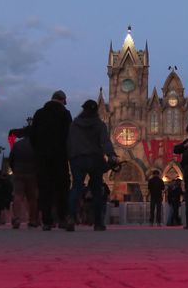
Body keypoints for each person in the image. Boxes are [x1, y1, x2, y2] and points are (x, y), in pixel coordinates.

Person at [67, 99, 117, 231]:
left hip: (77, 159)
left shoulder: (74, 124)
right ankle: (98, 222)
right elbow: (105, 142)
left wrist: (71, 156)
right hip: (94, 159)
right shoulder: (100, 125)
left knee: (76, 188)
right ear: (96, 111)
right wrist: (111, 155)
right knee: (96, 191)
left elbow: (69, 141)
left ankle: (71, 217)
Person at [30, 90, 72, 231]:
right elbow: (69, 135)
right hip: (60, 156)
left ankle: (46, 221)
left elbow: (33, 135)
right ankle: (62, 219)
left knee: (44, 188)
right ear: (62, 100)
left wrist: (38, 152)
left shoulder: (39, 113)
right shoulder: (65, 114)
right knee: (62, 188)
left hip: (42, 157)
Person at [9, 132, 39, 229]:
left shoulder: (17, 145)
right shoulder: (36, 144)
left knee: (18, 195)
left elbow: (11, 160)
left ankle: (17, 218)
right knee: (32, 198)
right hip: (32, 174)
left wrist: (15, 170)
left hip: (19, 173)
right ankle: (32, 220)